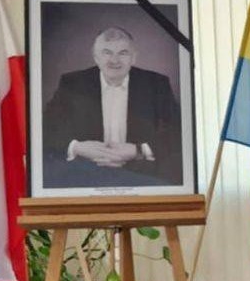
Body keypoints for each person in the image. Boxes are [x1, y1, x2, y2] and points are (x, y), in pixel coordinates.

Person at [42, 27, 182, 186]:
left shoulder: (157, 84)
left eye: (123, 53)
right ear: (96, 57)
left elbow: (178, 132)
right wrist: (77, 147)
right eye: (107, 52)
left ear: (133, 58)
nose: (114, 60)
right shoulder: (72, 83)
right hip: (85, 175)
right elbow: (46, 129)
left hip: (142, 176)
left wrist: (138, 150)